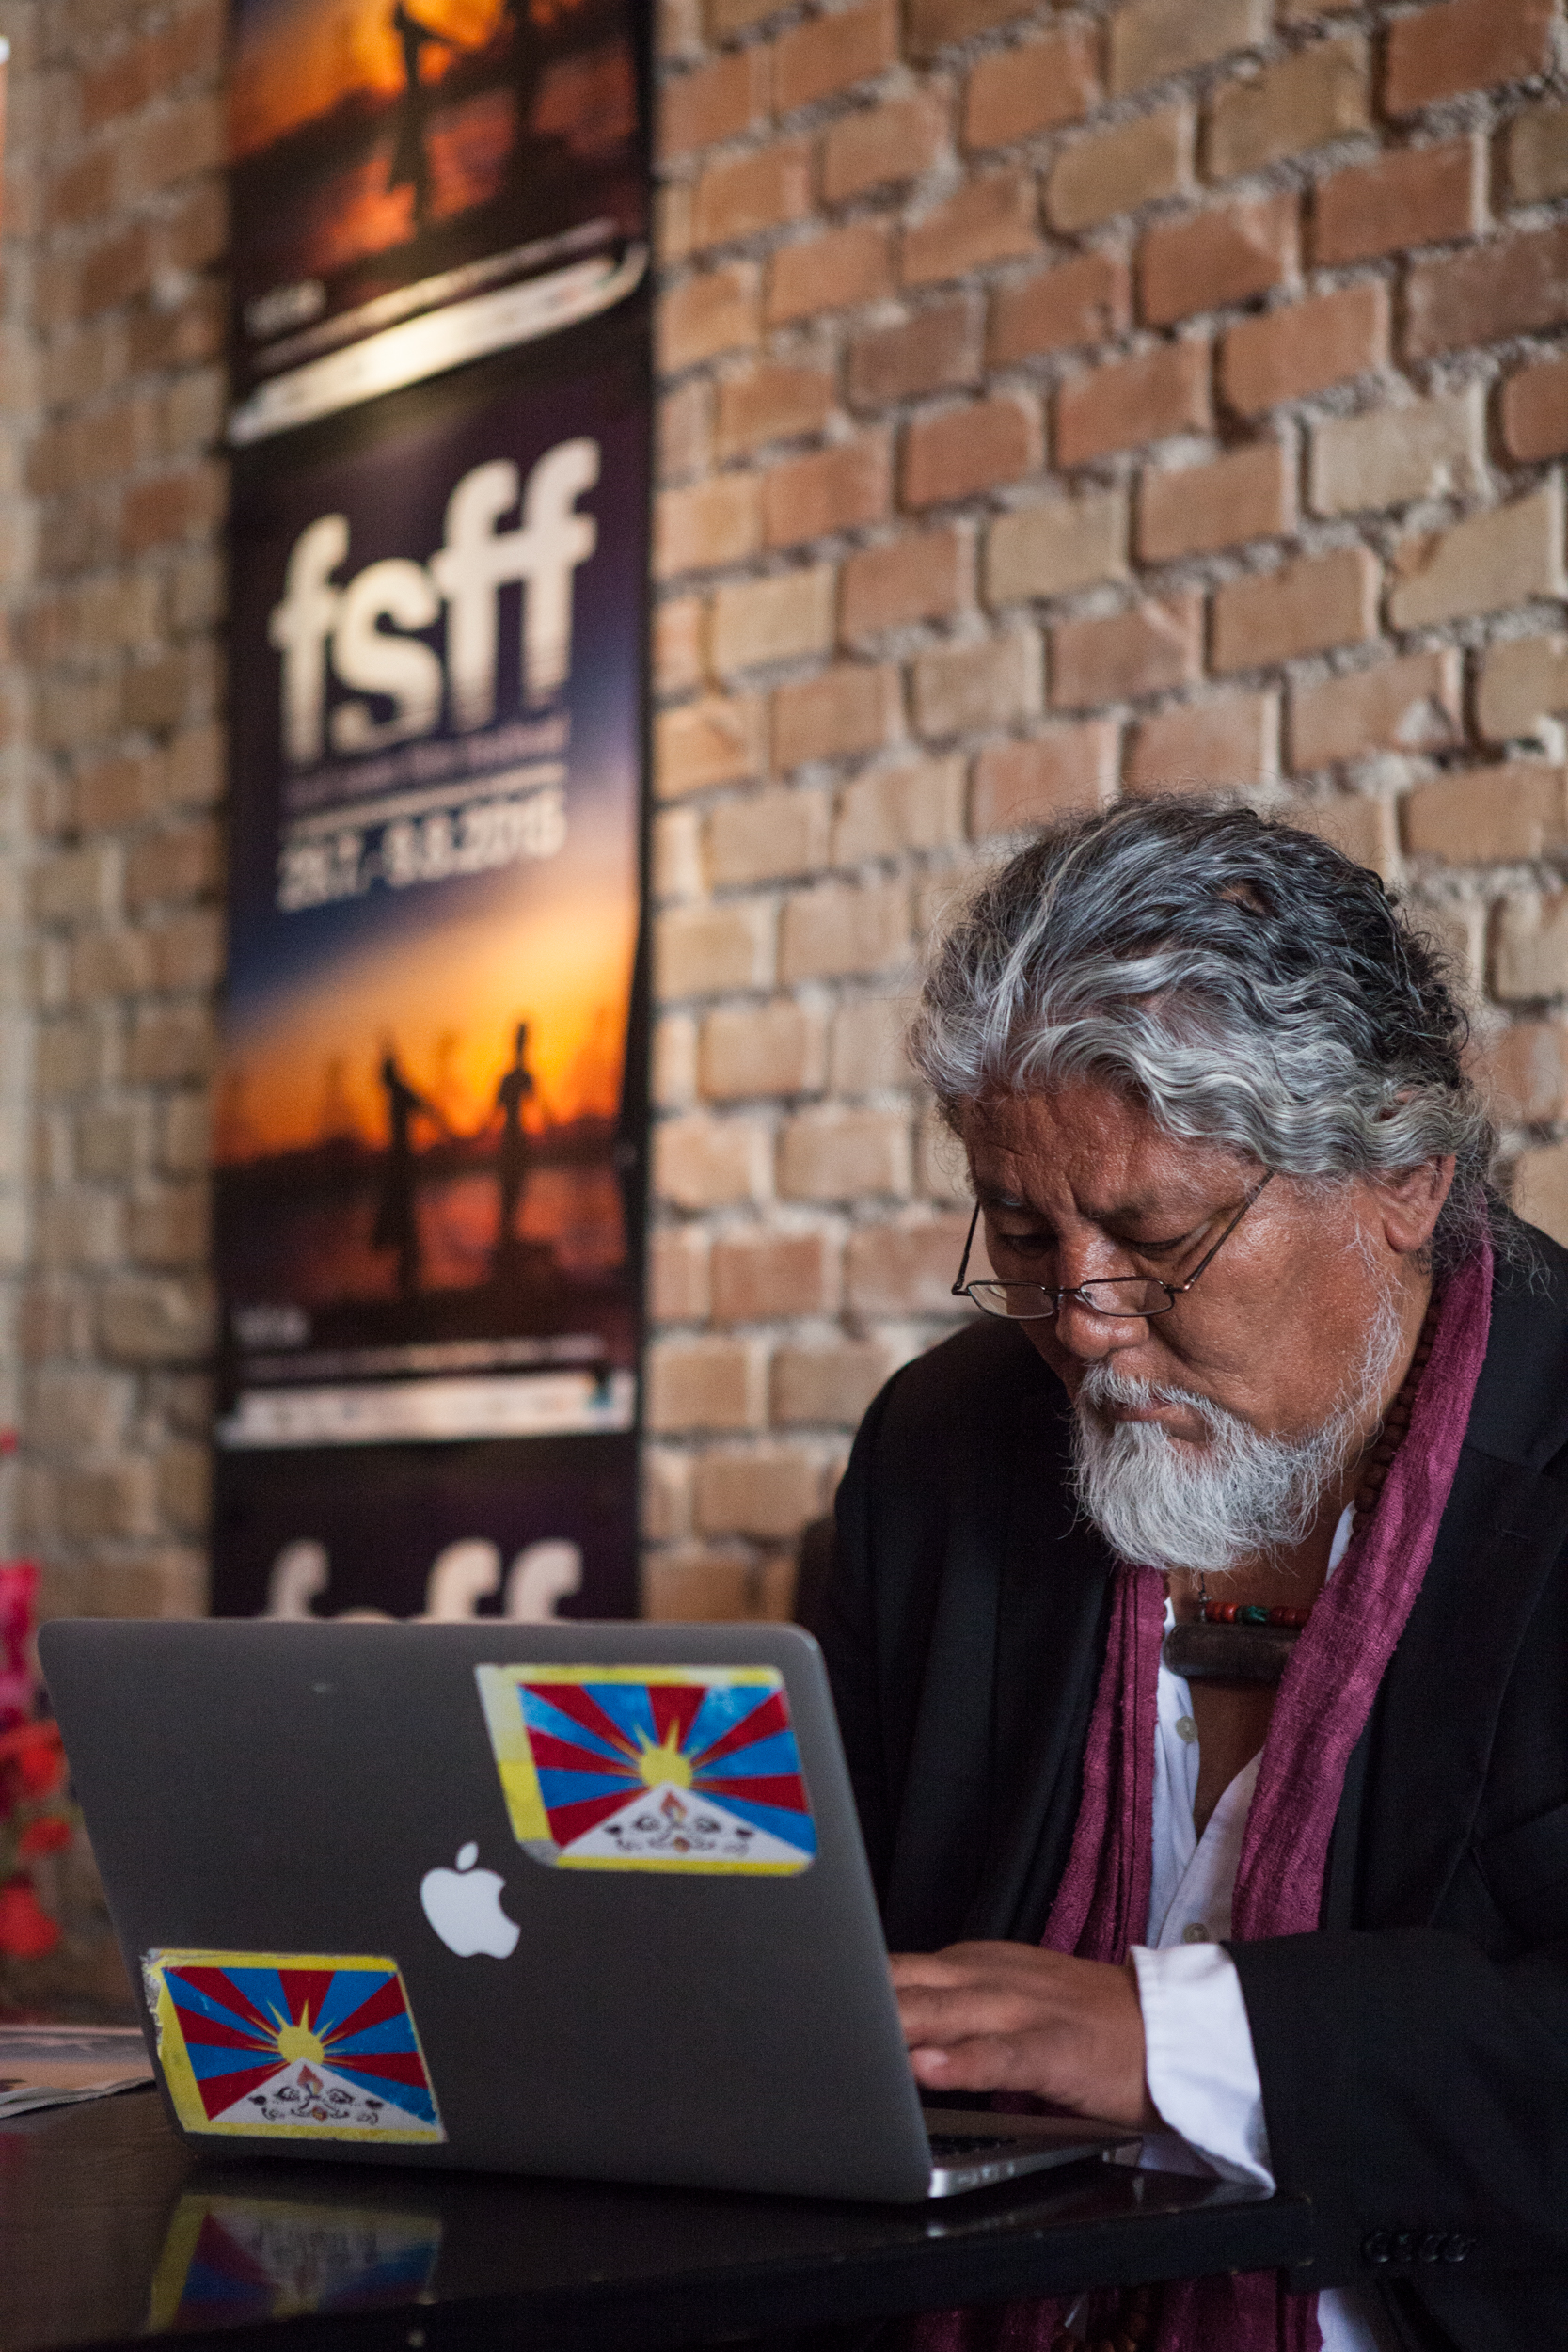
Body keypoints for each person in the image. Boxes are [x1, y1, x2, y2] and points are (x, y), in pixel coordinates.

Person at [818, 801, 1568, 2352]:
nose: (1083, 1319)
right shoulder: (938, 1453)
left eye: (1156, 1234)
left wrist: (1179, 2041)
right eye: (1021, 1233)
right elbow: (837, 1953)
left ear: (1404, 1177)